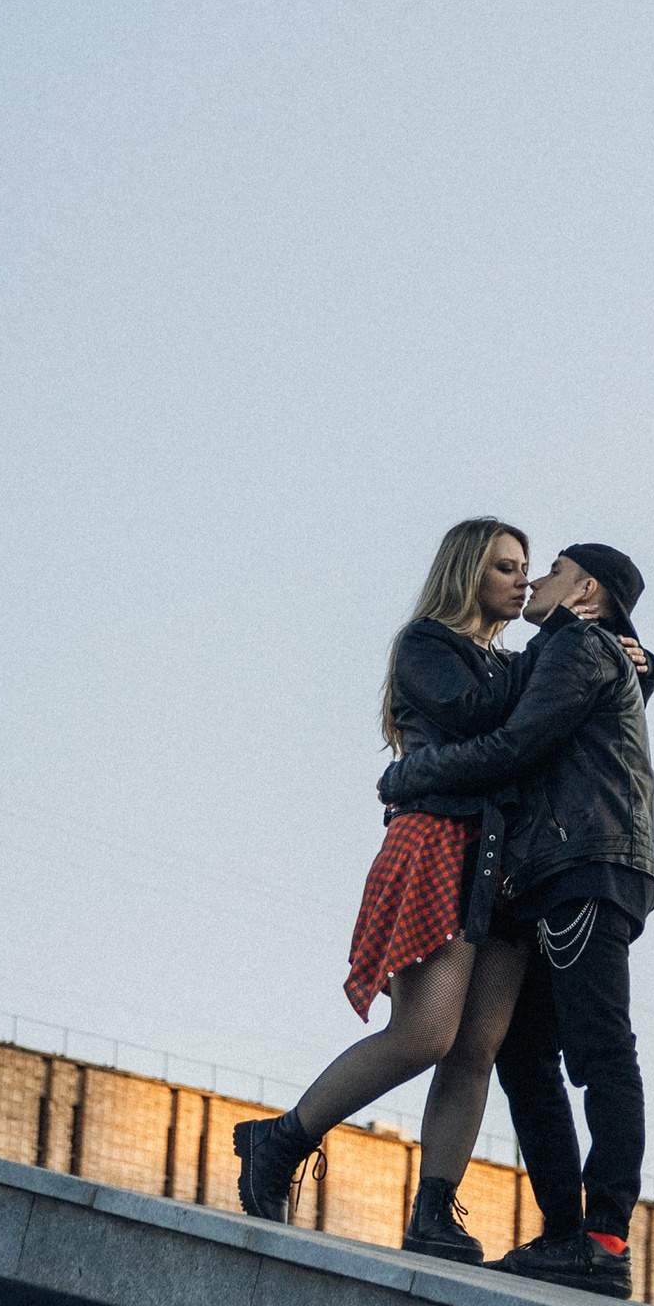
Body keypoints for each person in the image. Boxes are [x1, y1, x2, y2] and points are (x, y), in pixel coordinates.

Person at [231, 516, 539, 1258]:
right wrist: (550, 672)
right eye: (505, 567)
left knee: (477, 1048)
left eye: (526, 568)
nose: (522, 581)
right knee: (424, 1034)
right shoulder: (429, 644)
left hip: (509, 859)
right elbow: (476, 722)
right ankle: (280, 1139)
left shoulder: (515, 664)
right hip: (445, 840)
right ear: (468, 572)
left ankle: (434, 1210)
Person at [381, 539, 654, 1299]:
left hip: (584, 869)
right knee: (525, 1057)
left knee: (599, 1051)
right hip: (551, 878)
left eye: (554, 570)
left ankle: (600, 1239)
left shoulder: (577, 648)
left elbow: (512, 744)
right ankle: (567, 1235)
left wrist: (408, 775)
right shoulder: (565, 655)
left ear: (588, 591)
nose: (535, 579)